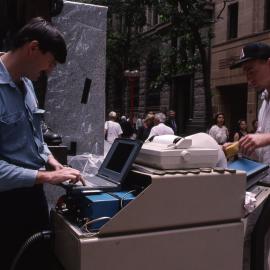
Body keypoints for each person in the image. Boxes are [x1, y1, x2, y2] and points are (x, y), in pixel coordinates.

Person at [0, 17, 85, 270]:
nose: (50, 71)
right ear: (33, 48)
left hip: (31, 196)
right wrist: (46, 177)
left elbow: (35, 139)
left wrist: (53, 163)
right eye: (50, 63)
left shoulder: (27, 84)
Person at [230, 42, 270, 270]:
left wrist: (264, 138)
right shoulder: (264, 99)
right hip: (264, 182)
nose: (248, 78)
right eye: (245, 72)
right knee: (252, 239)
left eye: (252, 70)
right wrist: (241, 145)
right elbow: (262, 139)